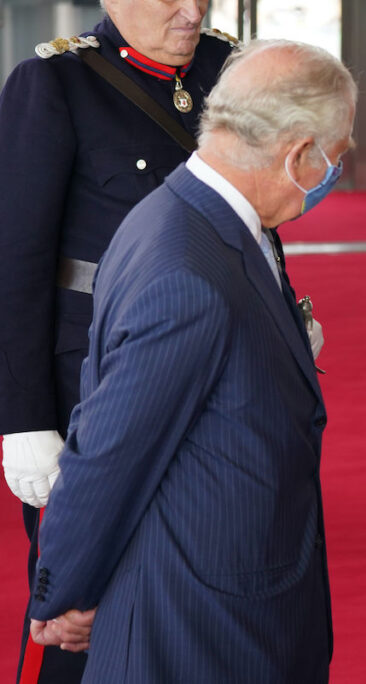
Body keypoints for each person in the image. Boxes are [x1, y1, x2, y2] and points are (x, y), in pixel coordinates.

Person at [24, 38, 355, 683]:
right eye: (335, 158)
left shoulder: (187, 213)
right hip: (204, 627)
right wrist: (63, 594)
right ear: (297, 155)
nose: (333, 175)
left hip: (224, 597)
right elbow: (108, 452)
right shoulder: (188, 270)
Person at [0, 2, 236, 680]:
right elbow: (15, 262)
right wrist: (24, 420)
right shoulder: (56, 83)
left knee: (202, 586)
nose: (192, 11)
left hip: (220, 376)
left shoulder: (229, 67)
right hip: (99, 385)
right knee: (87, 607)